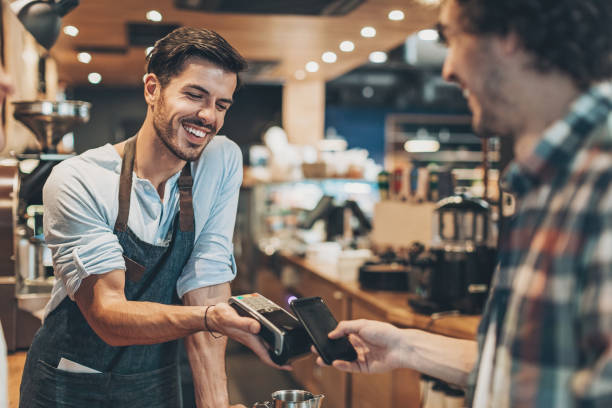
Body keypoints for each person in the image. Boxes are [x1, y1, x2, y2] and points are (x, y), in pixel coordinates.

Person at [318, 0, 612, 407]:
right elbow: (534, 369)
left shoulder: (600, 179)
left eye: (451, 39)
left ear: (510, 35)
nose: (447, 69)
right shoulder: (549, 184)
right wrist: (406, 347)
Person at [19, 27, 287, 408]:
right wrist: (210, 318)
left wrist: (215, 404)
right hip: (71, 382)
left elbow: (206, 283)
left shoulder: (220, 161)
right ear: (152, 89)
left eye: (222, 105)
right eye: (194, 95)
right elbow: (108, 315)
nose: (207, 116)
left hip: (155, 381)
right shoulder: (81, 178)